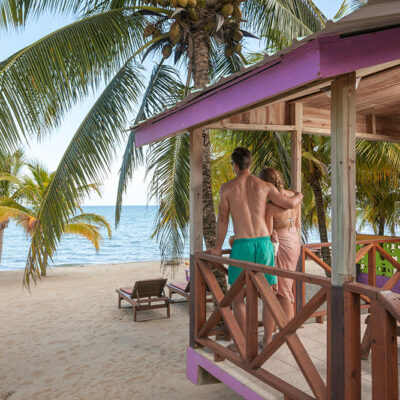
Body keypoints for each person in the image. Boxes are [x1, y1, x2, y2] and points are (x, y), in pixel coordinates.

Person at [210, 147, 303, 341]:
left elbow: (223, 220)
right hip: (264, 244)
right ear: (250, 163)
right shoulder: (264, 186)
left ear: (235, 165)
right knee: (269, 296)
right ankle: (267, 340)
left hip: (242, 244)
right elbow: (290, 204)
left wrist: (218, 247)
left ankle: (245, 344)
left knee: (237, 297)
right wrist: (298, 195)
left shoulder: (227, 188)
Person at [259, 167, 301, 347]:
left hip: (281, 245)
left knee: (279, 293)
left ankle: (276, 337)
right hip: (294, 242)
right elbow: (297, 225)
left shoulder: (269, 207)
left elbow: (269, 234)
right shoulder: (294, 197)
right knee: (285, 288)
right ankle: (283, 334)